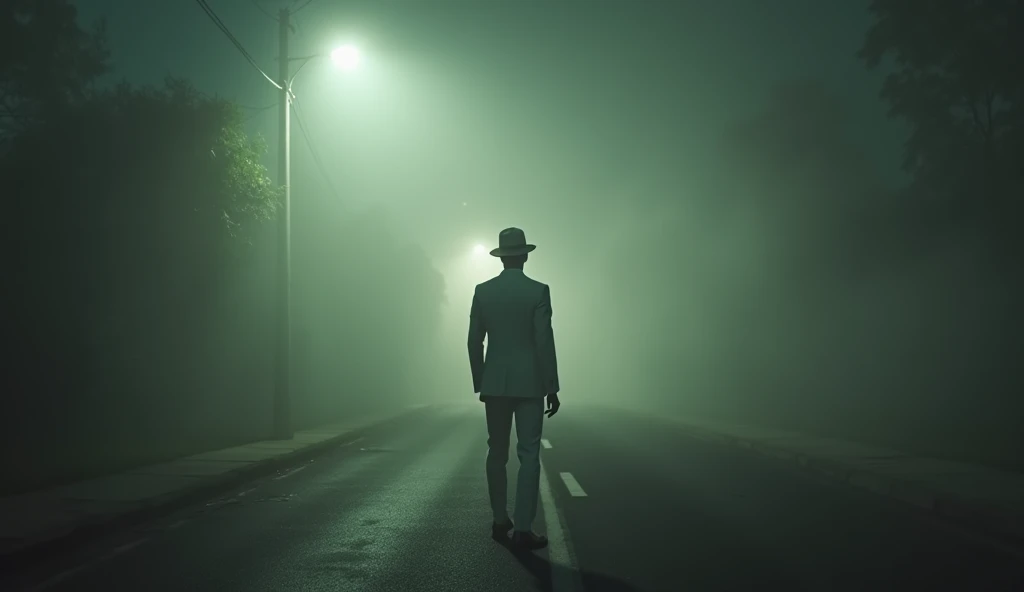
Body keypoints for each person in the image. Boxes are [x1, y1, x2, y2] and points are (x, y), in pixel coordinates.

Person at [468, 226, 561, 551]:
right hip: (530, 383)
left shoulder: (482, 291)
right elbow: (543, 341)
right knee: (529, 453)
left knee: (496, 451)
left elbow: (474, 341)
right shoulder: (538, 291)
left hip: (495, 383)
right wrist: (551, 385)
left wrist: (482, 380)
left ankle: (498, 520)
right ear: (523, 256)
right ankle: (523, 528)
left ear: (501, 257)